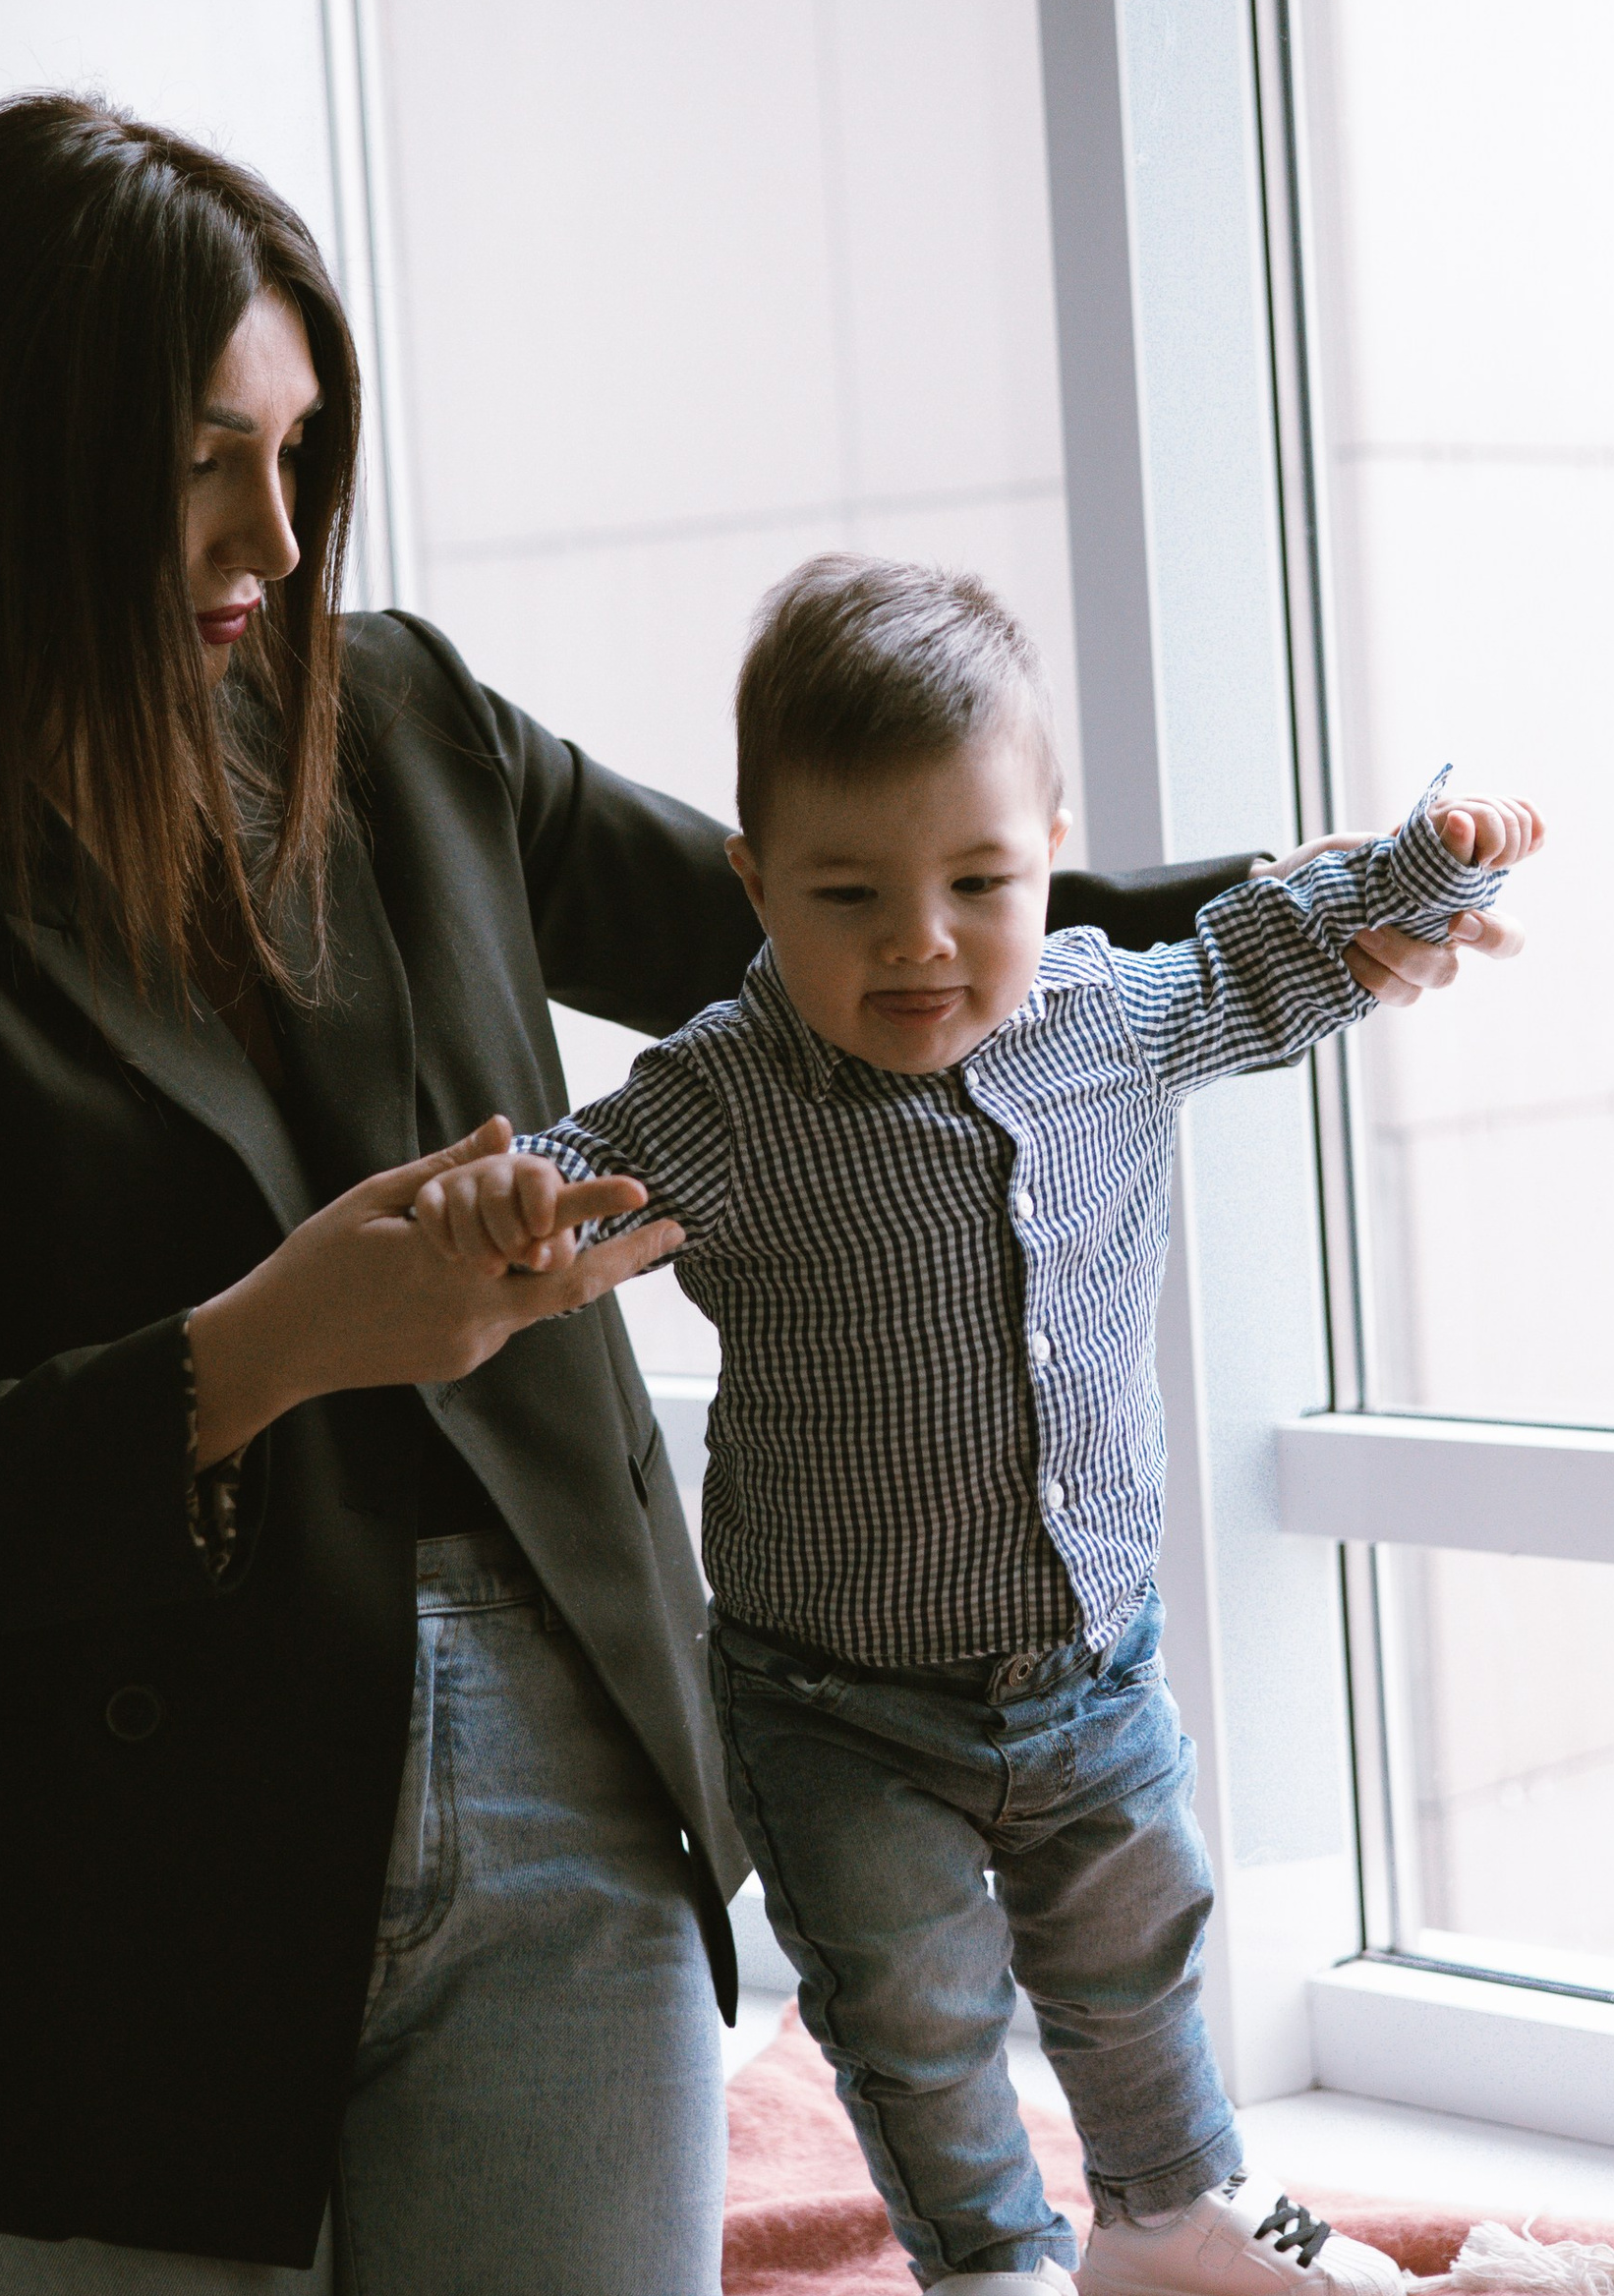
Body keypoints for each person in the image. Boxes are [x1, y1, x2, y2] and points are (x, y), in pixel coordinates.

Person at [0, 99, 1505, 2296]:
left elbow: (840, 938)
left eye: (300, 445)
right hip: (96, 1890)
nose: (280, 528)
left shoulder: (397, 715)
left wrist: (1300, 913)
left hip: (560, 1793)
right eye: (200, 454)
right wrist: (274, 1342)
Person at [417, 555, 1544, 2296]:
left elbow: (1274, 948)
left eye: (978, 882)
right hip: (837, 1710)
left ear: (1048, 854)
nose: (919, 942)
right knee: (912, 2016)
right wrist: (503, 1211)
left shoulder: (1112, 1009)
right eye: (848, 893)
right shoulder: (729, 1096)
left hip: (1090, 1668)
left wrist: (1422, 861)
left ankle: (1174, 2215)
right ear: (756, 886)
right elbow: (578, 1170)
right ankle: (988, 2261)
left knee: (1136, 1952)